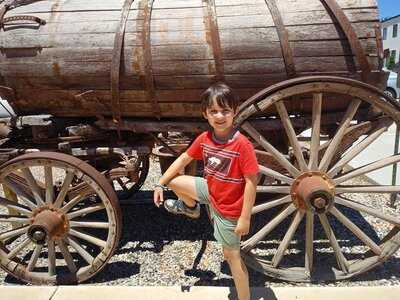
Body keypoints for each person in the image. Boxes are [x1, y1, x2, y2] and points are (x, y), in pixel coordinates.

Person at [153, 82, 259, 300]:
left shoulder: (242, 145)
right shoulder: (205, 139)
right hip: (210, 191)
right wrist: (160, 183)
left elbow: (251, 182)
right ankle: (190, 208)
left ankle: (245, 297)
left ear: (234, 112)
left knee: (232, 257)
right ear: (206, 114)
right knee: (175, 180)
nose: (220, 116)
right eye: (214, 111)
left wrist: (245, 218)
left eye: (225, 110)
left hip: (229, 209)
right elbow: (184, 158)